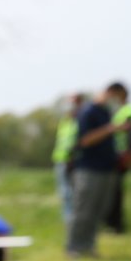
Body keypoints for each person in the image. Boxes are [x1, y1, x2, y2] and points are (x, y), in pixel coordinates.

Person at [67, 85, 123, 258]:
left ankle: (89, 245)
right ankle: (74, 247)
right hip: (88, 169)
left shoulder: (106, 113)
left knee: (98, 211)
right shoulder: (88, 111)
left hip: (107, 169)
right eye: (117, 97)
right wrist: (110, 129)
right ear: (109, 92)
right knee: (83, 210)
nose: (118, 102)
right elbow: (85, 140)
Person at [104, 81, 131, 234]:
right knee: (112, 192)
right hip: (115, 155)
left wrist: (128, 155)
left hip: (121, 156)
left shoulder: (128, 110)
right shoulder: (120, 109)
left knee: (116, 193)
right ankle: (111, 224)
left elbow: (130, 133)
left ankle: (116, 226)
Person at [51, 92, 84, 225]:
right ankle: (68, 219)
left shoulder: (80, 121)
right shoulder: (64, 122)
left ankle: (74, 220)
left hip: (73, 162)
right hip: (60, 161)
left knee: (73, 193)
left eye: (73, 102)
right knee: (64, 193)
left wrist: (72, 158)